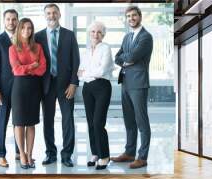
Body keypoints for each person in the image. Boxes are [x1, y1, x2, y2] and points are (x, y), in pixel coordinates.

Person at [35, 3, 80, 167]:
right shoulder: (38, 36)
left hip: (66, 85)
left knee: (68, 119)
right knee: (48, 120)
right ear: (45, 16)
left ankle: (67, 154)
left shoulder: (69, 35)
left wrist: (74, 82)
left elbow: (76, 60)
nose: (51, 16)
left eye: (54, 13)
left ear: (59, 14)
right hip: (46, 85)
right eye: (48, 13)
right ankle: (50, 153)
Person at [112, 6, 153, 169]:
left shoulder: (146, 37)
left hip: (138, 84)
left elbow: (132, 56)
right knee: (129, 120)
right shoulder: (127, 37)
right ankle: (129, 153)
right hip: (126, 83)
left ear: (140, 16)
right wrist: (127, 60)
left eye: (134, 15)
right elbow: (118, 57)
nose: (131, 18)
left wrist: (127, 59)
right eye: (128, 16)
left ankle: (142, 157)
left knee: (141, 121)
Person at [9, 18, 46, 169]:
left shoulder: (38, 47)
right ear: (19, 29)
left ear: (32, 30)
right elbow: (16, 70)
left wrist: (27, 67)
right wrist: (32, 66)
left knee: (31, 123)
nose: (26, 30)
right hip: (19, 88)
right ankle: (22, 155)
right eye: (23, 27)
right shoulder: (13, 48)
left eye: (29, 28)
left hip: (34, 87)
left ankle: (30, 155)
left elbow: (42, 68)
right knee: (19, 123)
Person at [78, 21, 114, 170]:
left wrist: (86, 73)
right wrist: (85, 73)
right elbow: (79, 72)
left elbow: (102, 70)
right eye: (93, 31)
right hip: (87, 88)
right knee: (91, 123)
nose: (95, 34)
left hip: (102, 87)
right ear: (89, 33)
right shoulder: (86, 51)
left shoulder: (106, 48)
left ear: (103, 34)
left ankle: (105, 156)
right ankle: (95, 153)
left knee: (99, 123)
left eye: (99, 32)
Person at [0, 9, 20, 168]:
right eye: (8, 19)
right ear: (4, 21)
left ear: (17, 21)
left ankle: (19, 152)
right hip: (4, 90)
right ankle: (1, 155)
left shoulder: (23, 40)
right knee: (2, 123)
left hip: (20, 89)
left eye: (14, 19)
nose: (11, 22)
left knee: (19, 122)